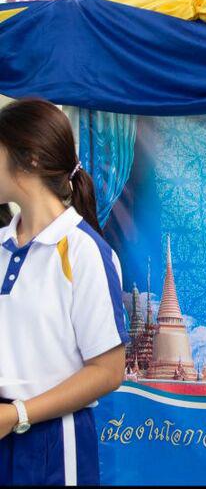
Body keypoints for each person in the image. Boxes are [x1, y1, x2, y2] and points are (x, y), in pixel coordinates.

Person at [0, 98, 128, 485]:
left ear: (30, 159)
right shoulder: (2, 245)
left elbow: (108, 371)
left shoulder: (83, 251)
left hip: (54, 444)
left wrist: (18, 414)